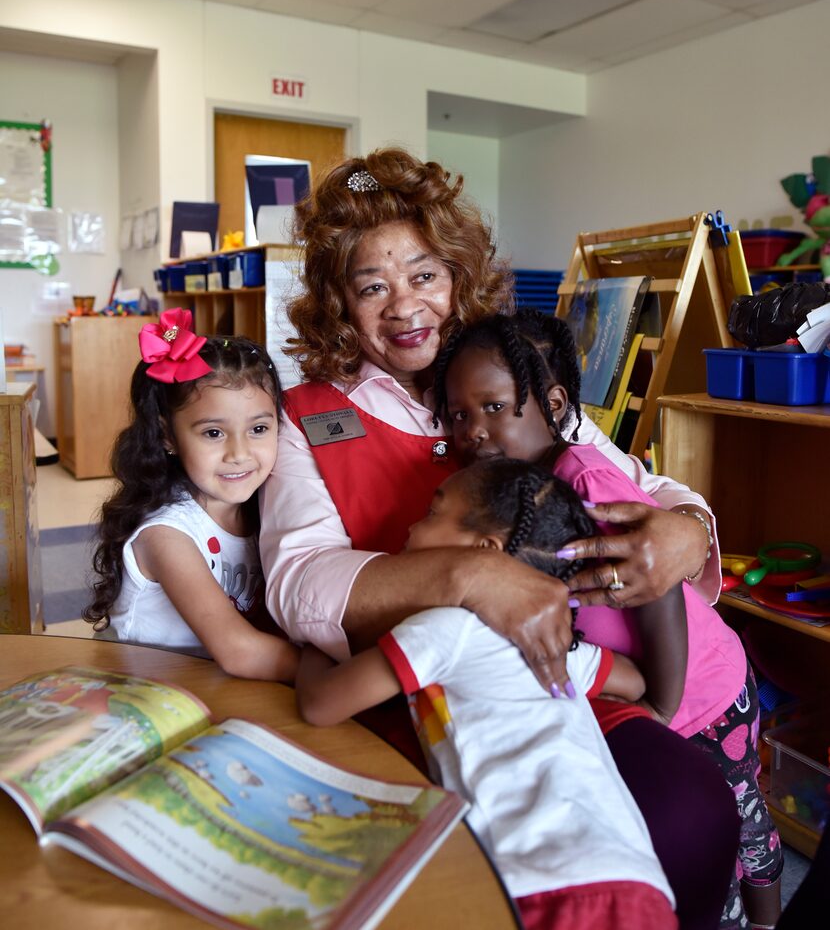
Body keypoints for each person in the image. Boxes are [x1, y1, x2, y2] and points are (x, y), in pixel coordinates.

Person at [260, 146, 737, 927]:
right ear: (338, 303)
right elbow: (298, 584)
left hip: (558, 684)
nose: (404, 305)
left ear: (458, 274)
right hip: (407, 694)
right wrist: (470, 578)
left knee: (692, 811)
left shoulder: (510, 378)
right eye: (370, 285)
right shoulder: (307, 414)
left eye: (424, 274)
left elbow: (647, 488)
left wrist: (685, 533)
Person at [432, 307, 783, 930]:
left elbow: (662, 590)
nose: (473, 432)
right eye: (459, 416)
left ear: (553, 402)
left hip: (702, 692)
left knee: (739, 829)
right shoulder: (511, 492)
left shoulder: (587, 479)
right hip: (645, 688)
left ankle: (765, 919)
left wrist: (663, 708)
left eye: (493, 408)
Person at [295, 458, 678, 930]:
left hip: (531, 882)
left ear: (483, 552)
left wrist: (313, 649)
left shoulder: (446, 629)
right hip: (634, 877)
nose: (413, 526)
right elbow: (633, 681)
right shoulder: (559, 649)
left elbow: (320, 705)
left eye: (433, 514)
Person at [85, 307, 298, 683]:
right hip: (140, 692)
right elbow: (239, 651)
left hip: (210, 682)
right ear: (168, 437)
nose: (239, 453)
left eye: (259, 428)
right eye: (213, 433)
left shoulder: (265, 505)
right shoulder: (166, 536)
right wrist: (345, 671)